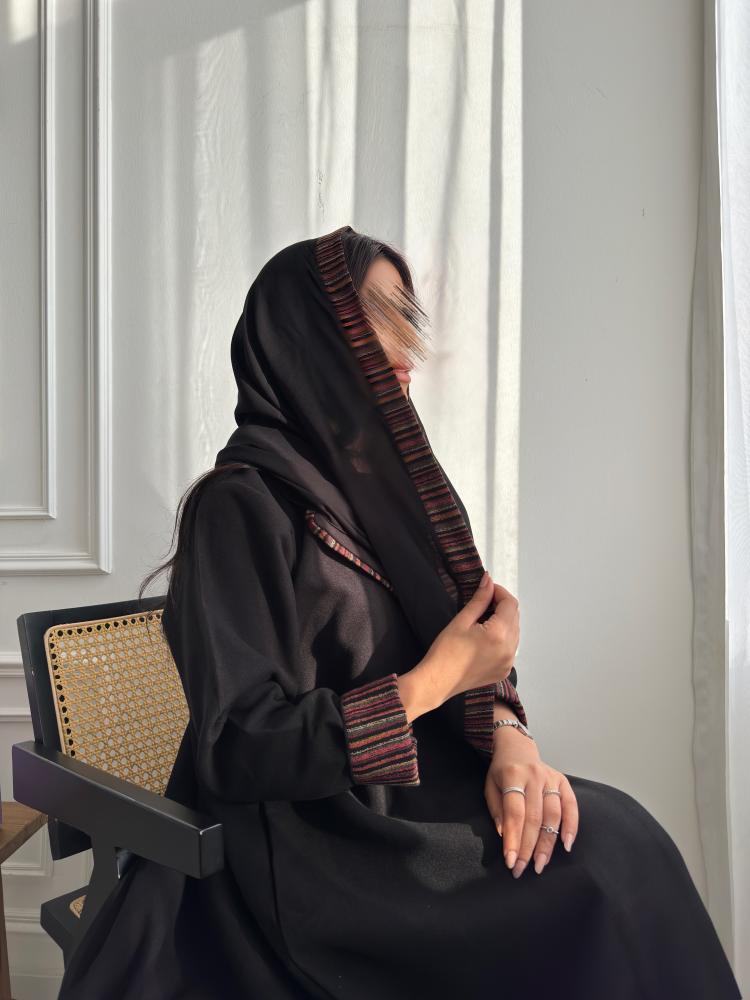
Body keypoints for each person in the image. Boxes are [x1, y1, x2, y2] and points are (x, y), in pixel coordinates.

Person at [56, 225, 742, 999]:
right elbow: (238, 746)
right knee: (601, 879)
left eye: (405, 321)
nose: (404, 351)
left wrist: (510, 737)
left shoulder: (379, 494)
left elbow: (466, 646)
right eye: (374, 320)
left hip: (406, 801)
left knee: (625, 841)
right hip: (311, 848)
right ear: (306, 340)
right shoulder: (239, 507)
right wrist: (430, 684)